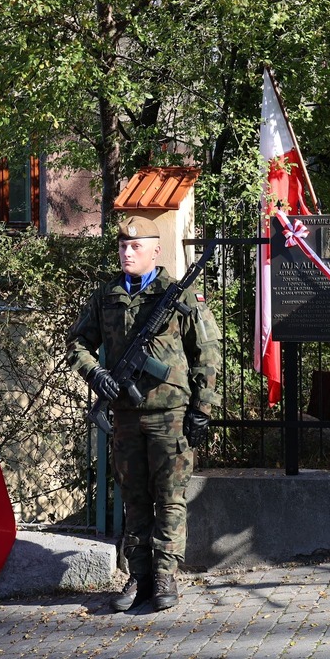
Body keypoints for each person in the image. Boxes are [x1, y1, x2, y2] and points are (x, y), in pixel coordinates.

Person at [67, 216, 222, 610]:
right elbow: (78, 344)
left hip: (170, 414)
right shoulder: (107, 296)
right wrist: (95, 373)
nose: (127, 252)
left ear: (156, 250)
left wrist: (202, 407)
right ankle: (138, 577)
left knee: (170, 499)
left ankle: (165, 576)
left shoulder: (179, 295)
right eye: (122, 246)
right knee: (134, 499)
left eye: (136, 247)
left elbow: (207, 353)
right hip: (125, 415)